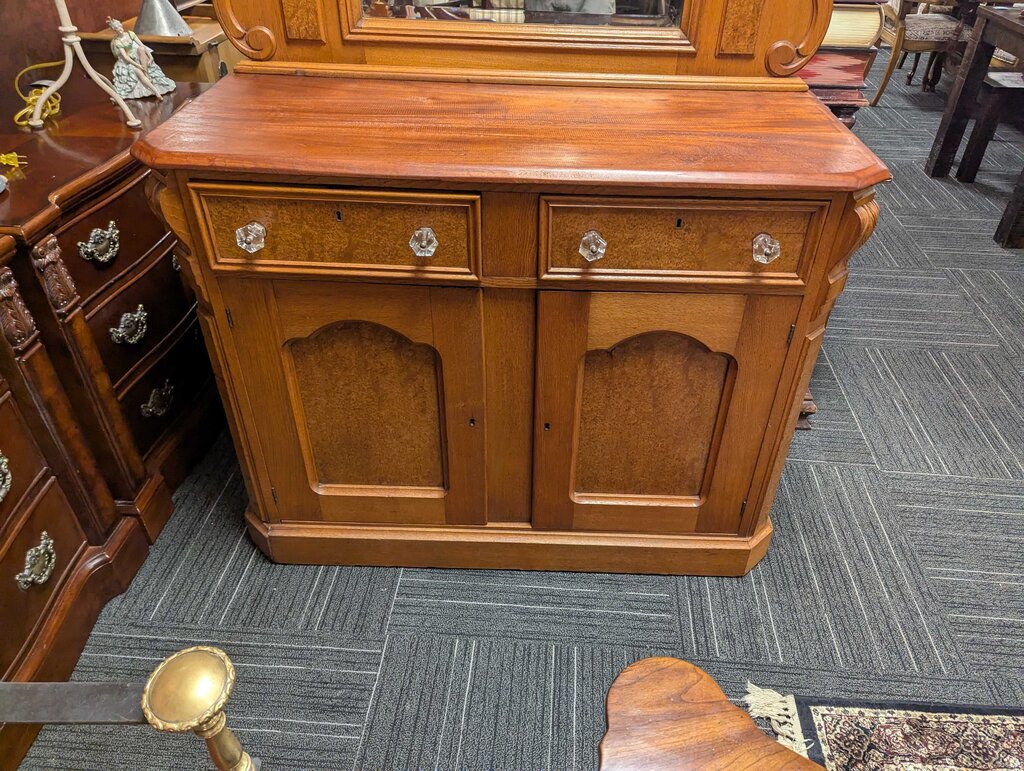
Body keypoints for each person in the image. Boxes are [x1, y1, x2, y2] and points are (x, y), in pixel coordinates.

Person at [107, 17, 175, 101]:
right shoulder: (118, 41)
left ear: (121, 25)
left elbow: (142, 45)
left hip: (137, 55)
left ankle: (146, 72)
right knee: (139, 72)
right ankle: (154, 89)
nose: (119, 29)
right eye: (116, 28)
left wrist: (150, 56)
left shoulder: (130, 34)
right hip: (130, 61)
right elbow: (125, 57)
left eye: (119, 27)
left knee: (141, 49)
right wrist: (137, 65)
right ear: (114, 30)